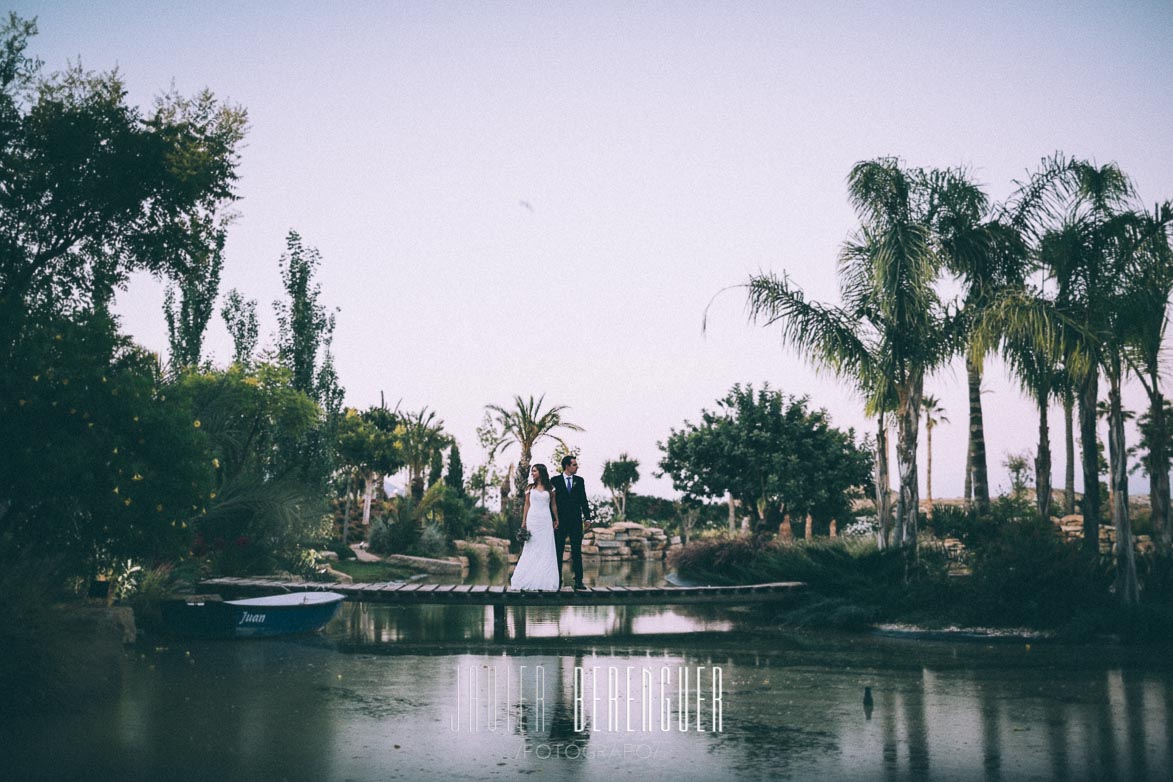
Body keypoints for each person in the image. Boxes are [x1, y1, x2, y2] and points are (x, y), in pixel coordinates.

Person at [509, 464, 561, 591]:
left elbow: (553, 505)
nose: (532, 473)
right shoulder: (529, 488)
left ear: (541, 472)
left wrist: (556, 519)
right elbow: (527, 505)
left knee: (545, 548)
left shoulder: (551, 488)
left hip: (545, 520)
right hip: (533, 519)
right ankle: (525, 577)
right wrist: (524, 521)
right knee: (531, 547)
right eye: (532, 471)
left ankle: (544, 580)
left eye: (534, 471)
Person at [553, 455, 592, 590]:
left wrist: (587, 518)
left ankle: (579, 581)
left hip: (576, 521)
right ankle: (557, 580)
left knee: (577, 551)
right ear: (567, 466)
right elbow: (552, 503)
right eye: (574, 465)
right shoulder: (555, 481)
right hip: (560, 522)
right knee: (558, 551)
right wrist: (553, 519)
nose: (577, 467)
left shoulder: (579, 481)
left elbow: (583, 500)